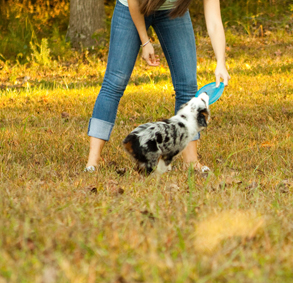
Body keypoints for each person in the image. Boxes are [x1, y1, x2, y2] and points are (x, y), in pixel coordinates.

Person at [85, 0, 229, 172]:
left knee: (187, 85)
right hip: (133, 6)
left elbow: (213, 19)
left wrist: (221, 61)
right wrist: (145, 42)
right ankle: (92, 162)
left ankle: (191, 162)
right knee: (115, 81)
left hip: (172, 11)